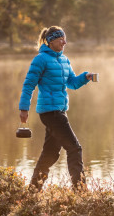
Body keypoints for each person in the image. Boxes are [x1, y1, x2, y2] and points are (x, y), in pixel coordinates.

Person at [18, 26, 95, 191]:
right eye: (61, 39)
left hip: (60, 111)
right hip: (50, 112)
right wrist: (24, 108)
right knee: (74, 148)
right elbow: (28, 85)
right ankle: (80, 191)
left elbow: (72, 83)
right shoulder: (40, 59)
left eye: (65, 39)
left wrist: (85, 77)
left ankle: (33, 189)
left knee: (51, 153)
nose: (64, 42)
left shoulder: (64, 60)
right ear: (51, 40)